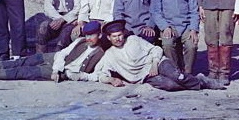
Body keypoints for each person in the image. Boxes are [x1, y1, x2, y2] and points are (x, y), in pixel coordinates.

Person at [88, 20, 222, 91]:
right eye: (114, 37)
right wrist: (111, 80)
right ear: (109, 38)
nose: (118, 39)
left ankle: (204, 83)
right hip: (145, 76)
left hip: (158, 63)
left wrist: (154, 64)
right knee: (171, 85)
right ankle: (196, 80)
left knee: (177, 76)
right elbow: (99, 74)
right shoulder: (109, 55)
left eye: (120, 35)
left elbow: (156, 49)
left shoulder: (133, 40)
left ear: (123, 34)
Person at [0, 20, 105, 81]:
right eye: (87, 34)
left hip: (64, 72)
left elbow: (96, 76)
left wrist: (75, 75)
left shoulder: (101, 54)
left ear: (99, 35)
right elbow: (64, 53)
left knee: (24, 72)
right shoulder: (80, 41)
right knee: (24, 61)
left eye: (92, 35)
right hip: (56, 59)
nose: (88, 38)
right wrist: (56, 68)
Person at [151, 0, 200, 74]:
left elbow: (194, 11)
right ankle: (175, 71)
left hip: (186, 26)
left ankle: (188, 72)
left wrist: (193, 29)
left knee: (191, 45)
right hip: (169, 26)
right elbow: (156, 11)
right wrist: (165, 27)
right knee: (167, 44)